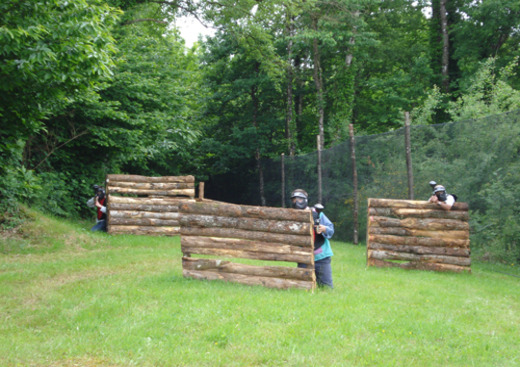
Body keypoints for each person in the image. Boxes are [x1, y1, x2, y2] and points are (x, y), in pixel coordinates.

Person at [291, 189, 335, 288]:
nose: (297, 202)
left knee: (326, 287)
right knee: (303, 287)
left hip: (321, 256)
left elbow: (331, 229)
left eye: (300, 199)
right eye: (294, 200)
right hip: (303, 257)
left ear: (305, 200)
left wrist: (324, 229)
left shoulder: (317, 214)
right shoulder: (291, 216)